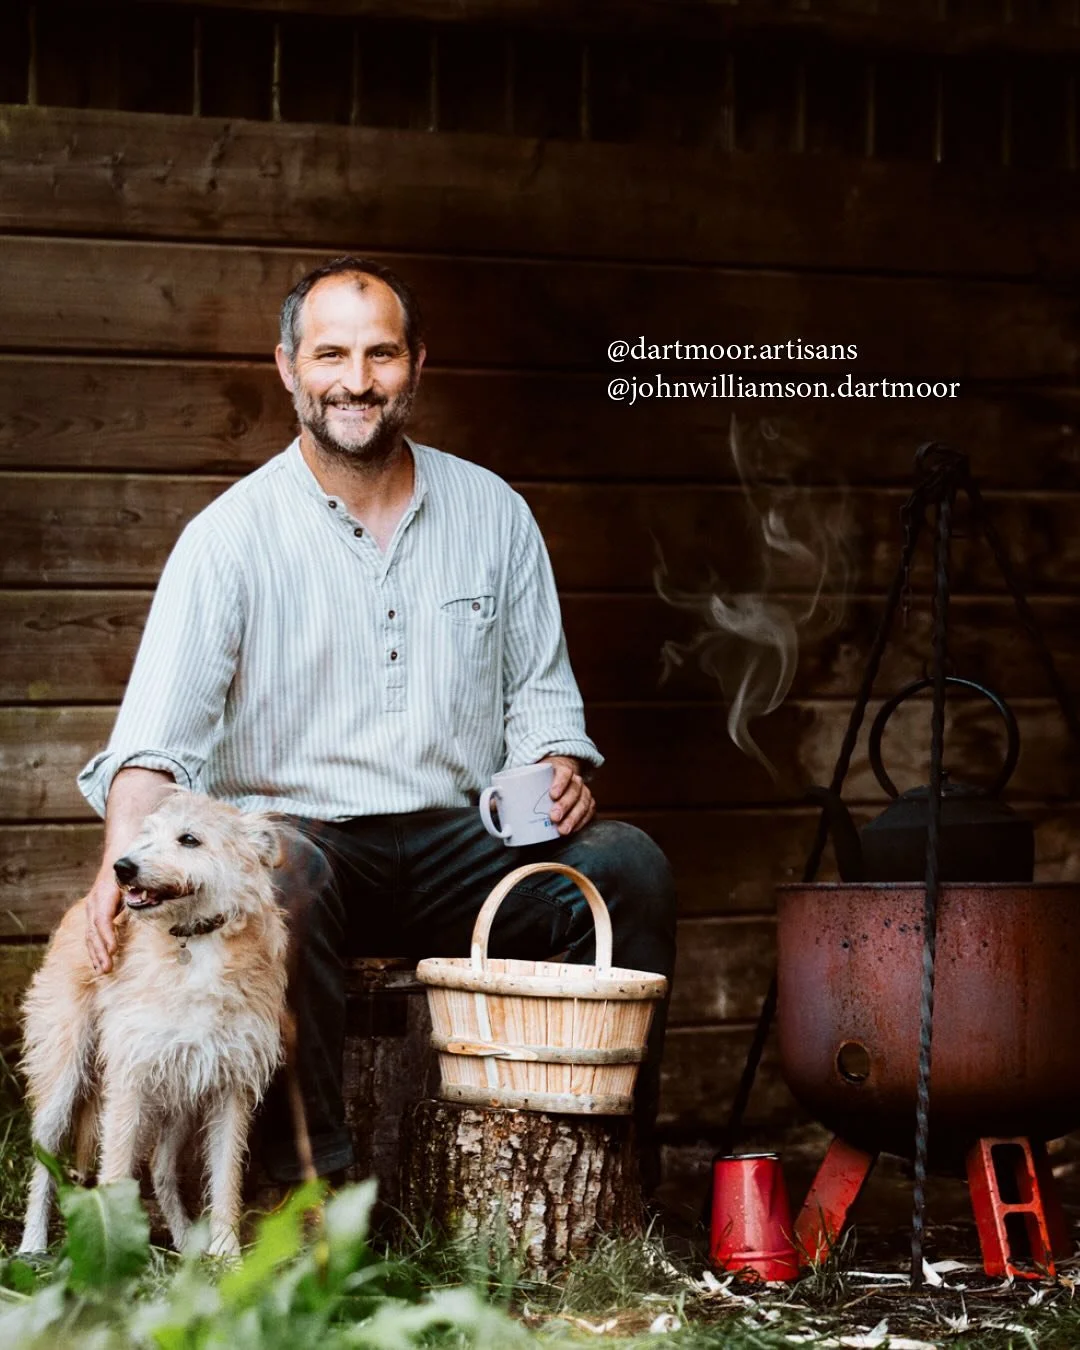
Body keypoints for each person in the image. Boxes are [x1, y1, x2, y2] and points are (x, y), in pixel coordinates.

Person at [76, 255, 676, 1182]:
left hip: (461, 846)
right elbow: (154, 744)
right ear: (288, 367)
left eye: (380, 354)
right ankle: (315, 1203)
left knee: (628, 868)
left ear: (416, 363)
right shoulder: (228, 541)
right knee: (280, 872)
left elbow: (544, 698)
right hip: (308, 847)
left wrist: (556, 763)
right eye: (331, 356)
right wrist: (116, 870)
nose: (356, 381)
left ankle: (605, 1169)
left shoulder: (494, 513)